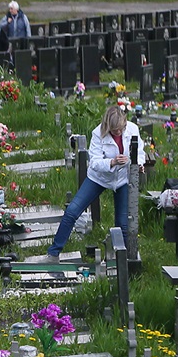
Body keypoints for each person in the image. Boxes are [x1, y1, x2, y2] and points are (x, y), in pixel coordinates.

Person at [46, 105, 145, 262]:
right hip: (99, 178)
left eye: (120, 129)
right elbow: (94, 163)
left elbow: (140, 151)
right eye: (114, 131)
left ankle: (126, 261)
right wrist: (112, 162)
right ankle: (53, 253)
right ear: (107, 126)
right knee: (72, 210)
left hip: (122, 179)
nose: (118, 133)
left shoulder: (133, 129)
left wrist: (138, 163)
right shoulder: (97, 133)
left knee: (122, 224)